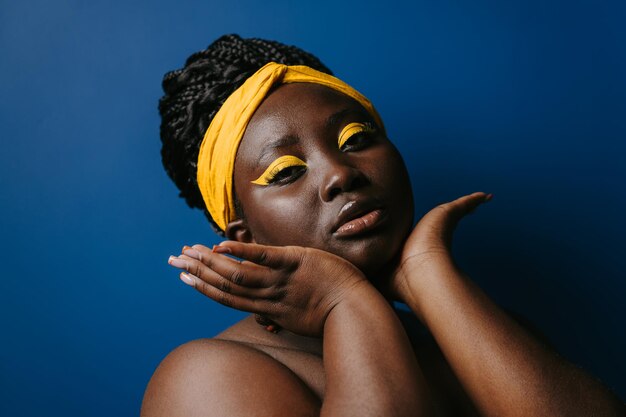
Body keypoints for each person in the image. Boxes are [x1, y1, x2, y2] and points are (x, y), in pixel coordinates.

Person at [140, 34, 624, 416]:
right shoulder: (204, 381)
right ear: (242, 237)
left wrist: (427, 272)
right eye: (286, 171)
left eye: (356, 137)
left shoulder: (480, 332)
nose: (340, 173)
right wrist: (342, 301)